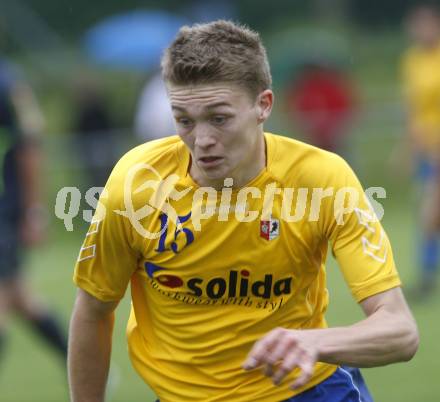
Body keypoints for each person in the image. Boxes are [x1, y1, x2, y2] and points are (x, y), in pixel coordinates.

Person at [68, 21, 419, 402]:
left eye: (219, 118)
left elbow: (400, 330)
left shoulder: (321, 179)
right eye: (184, 120)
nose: (201, 141)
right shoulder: (136, 186)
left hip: (308, 390)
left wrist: (315, 342)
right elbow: (93, 310)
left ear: (263, 105)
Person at [0, 58, 67, 366]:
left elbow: (30, 149)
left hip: (4, 211)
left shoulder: (9, 82)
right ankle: (79, 366)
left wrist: (34, 211)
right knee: (21, 299)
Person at [399, 3, 440, 298]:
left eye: (427, 24)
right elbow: (412, 109)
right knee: (428, 215)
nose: (422, 31)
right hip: (427, 148)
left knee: (430, 213)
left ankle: (425, 280)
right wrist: (408, 149)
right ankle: (426, 278)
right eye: (417, 26)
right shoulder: (411, 60)